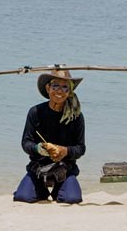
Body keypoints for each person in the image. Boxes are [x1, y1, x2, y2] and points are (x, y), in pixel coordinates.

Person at [13, 69, 86, 204]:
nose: (59, 91)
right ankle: (41, 190)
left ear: (69, 92)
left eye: (65, 87)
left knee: (72, 198)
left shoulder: (76, 116)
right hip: (38, 168)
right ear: (48, 88)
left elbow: (81, 148)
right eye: (55, 86)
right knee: (23, 197)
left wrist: (65, 151)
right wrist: (38, 148)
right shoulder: (35, 112)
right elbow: (26, 143)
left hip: (65, 169)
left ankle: (59, 189)